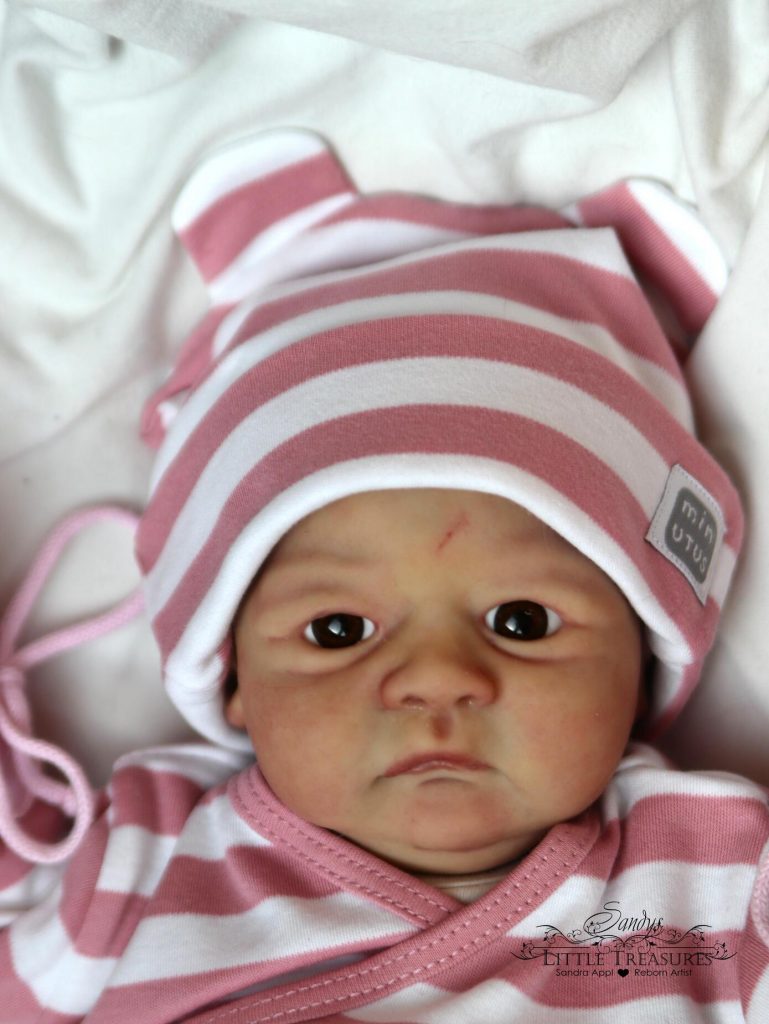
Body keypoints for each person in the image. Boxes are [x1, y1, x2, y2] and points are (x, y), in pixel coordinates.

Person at [1, 129, 767, 1023]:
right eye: (338, 631)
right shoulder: (146, 858)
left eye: (521, 620)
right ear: (232, 677)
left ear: (642, 659)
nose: (436, 679)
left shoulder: (714, 878)